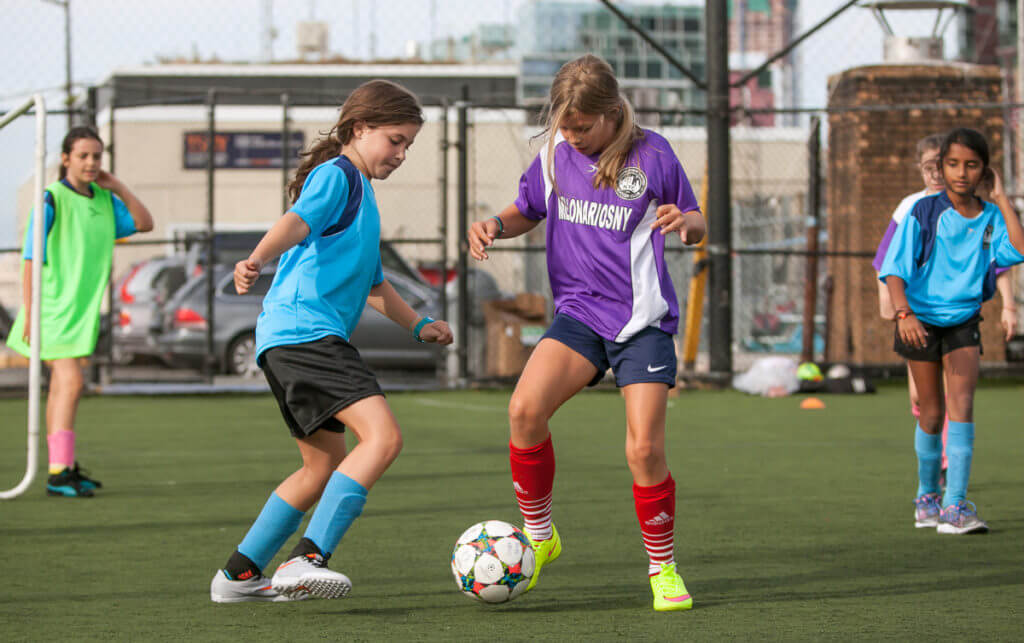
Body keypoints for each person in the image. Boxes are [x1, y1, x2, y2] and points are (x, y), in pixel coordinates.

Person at [467, 55, 705, 611]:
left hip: (640, 324)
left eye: (581, 127)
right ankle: (541, 536)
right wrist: (495, 225)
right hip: (578, 316)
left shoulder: (654, 155)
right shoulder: (553, 152)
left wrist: (685, 222)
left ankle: (663, 569)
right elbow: (529, 208)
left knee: (643, 449)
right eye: (564, 125)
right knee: (524, 411)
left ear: (611, 113)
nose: (570, 136)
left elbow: (695, 223)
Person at [209, 80, 453, 604]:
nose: (402, 153)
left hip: (288, 338)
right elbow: (297, 223)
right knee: (383, 438)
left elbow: (373, 284)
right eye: (395, 140)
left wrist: (417, 325)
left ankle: (238, 575)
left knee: (320, 467)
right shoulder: (338, 175)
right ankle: (308, 558)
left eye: (409, 143)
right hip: (306, 334)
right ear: (358, 130)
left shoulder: (362, 197)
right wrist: (257, 258)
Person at [880, 127, 1024, 535]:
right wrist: (904, 313)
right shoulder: (923, 212)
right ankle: (927, 498)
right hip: (918, 323)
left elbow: (1019, 248)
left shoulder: (992, 216)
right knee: (930, 412)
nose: (962, 173)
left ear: (985, 171)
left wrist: (1001, 198)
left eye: (972, 165)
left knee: (962, 409)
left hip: (963, 321)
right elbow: (894, 269)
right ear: (941, 168)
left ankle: (954, 506)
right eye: (954, 164)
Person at [6, 126, 154, 498]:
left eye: (96, 156)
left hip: (80, 311)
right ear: (65, 158)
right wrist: (32, 312)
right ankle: (58, 473)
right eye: (83, 155)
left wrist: (118, 186)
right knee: (71, 383)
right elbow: (29, 260)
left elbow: (144, 223)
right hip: (51, 310)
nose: (90, 162)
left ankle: (63, 468)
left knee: (62, 387)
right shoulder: (50, 200)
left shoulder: (105, 200)